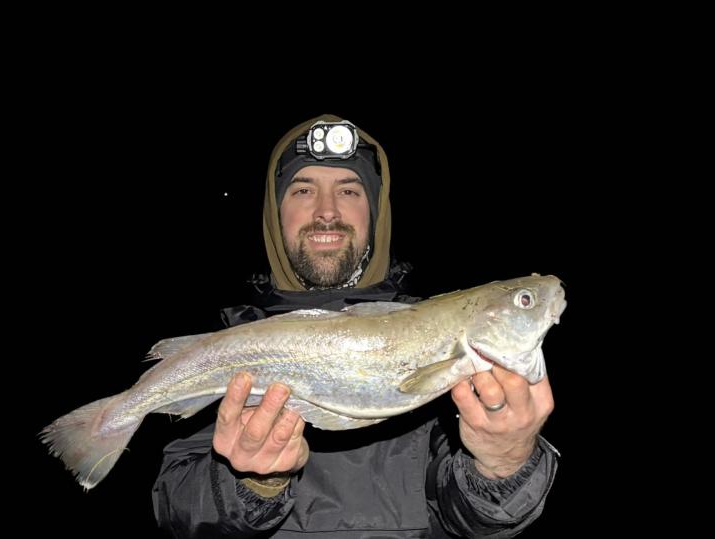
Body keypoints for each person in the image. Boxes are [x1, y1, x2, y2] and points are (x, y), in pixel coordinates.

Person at [152, 114, 559, 538]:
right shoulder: (230, 341)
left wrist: (505, 461)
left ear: (376, 212)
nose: (326, 211)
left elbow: (472, 522)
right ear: (274, 213)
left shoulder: (450, 347)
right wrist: (252, 484)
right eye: (303, 190)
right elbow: (177, 510)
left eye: (348, 191)